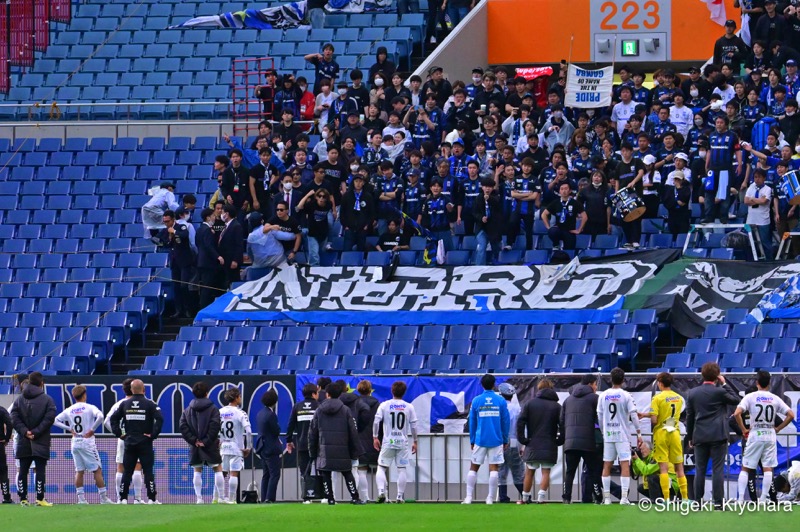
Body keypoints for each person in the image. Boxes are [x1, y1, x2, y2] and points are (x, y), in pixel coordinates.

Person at [685, 363, 741, 509]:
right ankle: (718, 503)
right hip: (718, 435)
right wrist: (724, 383)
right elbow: (736, 399)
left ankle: (697, 502)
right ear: (717, 376)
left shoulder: (692, 393)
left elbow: (689, 417)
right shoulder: (720, 392)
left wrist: (690, 437)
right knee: (717, 469)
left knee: (700, 469)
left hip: (700, 435)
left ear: (702, 375)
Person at [734, 370, 795, 502]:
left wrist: (744, 429)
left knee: (746, 467)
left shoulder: (750, 397)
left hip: (755, 432)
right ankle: (762, 499)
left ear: (757, 383)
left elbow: (737, 413)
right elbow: (791, 414)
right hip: (770, 434)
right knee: (768, 468)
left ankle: (740, 499)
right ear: (769, 383)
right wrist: (778, 428)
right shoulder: (774, 398)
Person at [53, 385, 114, 504]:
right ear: (84, 395)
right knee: (97, 470)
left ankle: (81, 499)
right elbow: (100, 416)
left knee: (79, 470)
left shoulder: (69, 409)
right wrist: (92, 429)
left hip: (75, 441)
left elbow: (55, 420)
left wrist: (69, 429)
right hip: (87, 442)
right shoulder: (90, 407)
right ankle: (103, 498)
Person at [308, 381, 366, 505]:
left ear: (327, 394)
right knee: (347, 473)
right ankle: (354, 497)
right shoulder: (345, 410)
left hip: (324, 449)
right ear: (340, 394)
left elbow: (312, 432)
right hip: (342, 448)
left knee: (326, 474)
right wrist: (355, 451)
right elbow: (352, 431)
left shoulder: (319, 410)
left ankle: (330, 498)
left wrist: (312, 451)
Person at [109, 378, 164, 505]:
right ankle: (151, 498)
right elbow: (160, 419)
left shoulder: (124, 404)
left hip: (129, 442)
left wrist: (120, 434)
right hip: (145, 442)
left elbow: (113, 419)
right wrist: (153, 435)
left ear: (132, 390)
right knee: (148, 470)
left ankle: (122, 498)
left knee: (127, 471)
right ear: (144, 390)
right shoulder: (150, 404)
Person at [597, 368, 643, 506]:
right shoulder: (626, 395)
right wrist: (639, 432)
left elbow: (599, 416)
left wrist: (604, 430)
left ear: (611, 379)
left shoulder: (603, 395)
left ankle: (606, 499)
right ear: (623, 380)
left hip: (609, 435)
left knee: (607, 464)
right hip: (622, 435)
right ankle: (623, 498)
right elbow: (634, 415)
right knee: (625, 465)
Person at [462, 374, 510, 505]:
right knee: (494, 468)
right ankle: (490, 498)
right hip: (496, 439)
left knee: (474, 467)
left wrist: (472, 440)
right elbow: (505, 422)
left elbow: (472, 422)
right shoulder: (500, 401)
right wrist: (505, 439)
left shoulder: (477, 400)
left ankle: (468, 497)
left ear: (482, 384)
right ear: (494, 384)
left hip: (480, 439)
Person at [10, 371, 56, 507]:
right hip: (40, 440)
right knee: (40, 470)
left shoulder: (19, 399)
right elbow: (49, 418)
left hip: (23, 440)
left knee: (23, 470)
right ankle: (40, 498)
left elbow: (14, 417)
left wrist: (25, 432)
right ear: (42, 383)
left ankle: (23, 499)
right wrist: (35, 432)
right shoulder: (47, 399)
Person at [373, 380, 419, 504]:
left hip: (388, 441)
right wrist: (415, 441)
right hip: (402, 441)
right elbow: (414, 426)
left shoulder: (384, 405)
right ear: (404, 392)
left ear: (392, 391)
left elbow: (376, 421)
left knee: (382, 467)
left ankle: (381, 492)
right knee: (402, 468)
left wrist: (375, 437)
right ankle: (399, 496)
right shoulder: (409, 406)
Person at [179, 381, 224, 505]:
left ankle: (199, 498)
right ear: (206, 393)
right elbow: (215, 426)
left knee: (197, 470)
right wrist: (206, 441)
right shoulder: (214, 409)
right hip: (210, 445)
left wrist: (194, 441)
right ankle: (221, 497)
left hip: (195, 446)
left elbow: (183, 426)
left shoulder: (187, 410)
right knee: (218, 468)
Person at [517, 378, 561, 504]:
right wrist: (559, 440)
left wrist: (523, 440)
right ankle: (541, 499)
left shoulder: (530, 404)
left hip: (532, 443)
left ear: (539, 389)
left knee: (529, 471)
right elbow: (563, 425)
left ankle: (524, 498)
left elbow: (520, 422)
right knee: (546, 472)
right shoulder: (557, 406)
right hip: (549, 443)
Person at [561, 374, 601, 504]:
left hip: (570, 441)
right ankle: (598, 497)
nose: (596, 387)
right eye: (595, 384)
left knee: (570, 472)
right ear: (591, 383)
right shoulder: (595, 398)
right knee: (593, 471)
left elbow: (561, 421)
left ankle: (566, 498)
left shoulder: (568, 400)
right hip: (588, 441)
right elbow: (600, 418)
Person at [649, 372, 689, 502]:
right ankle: (685, 499)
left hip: (661, 433)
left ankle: (666, 499)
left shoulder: (657, 398)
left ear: (660, 383)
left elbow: (654, 420)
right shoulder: (678, 398)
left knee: (663, 468)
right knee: (679, 467)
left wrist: (648, 416)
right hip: (674, 432)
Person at [104, 378, 144, 504]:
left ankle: (120, 498)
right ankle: (137, 498)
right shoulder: (143, 402)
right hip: (139, 438)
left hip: (124, 439)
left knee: (121, 467)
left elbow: (107, 421)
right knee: (137, 466)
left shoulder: (119, 404)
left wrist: (119, 434)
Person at [155, 210, 194, 319]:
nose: (166, 224)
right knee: (176, 286)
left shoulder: (181, 227)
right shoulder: (165, 230)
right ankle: (178, 310)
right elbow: (157, 239)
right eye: (164, 222)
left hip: (184, 261)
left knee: (184, 285)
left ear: (173, 219)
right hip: (174, 262)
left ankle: (188, 310)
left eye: (168, 221)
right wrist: (161, 242)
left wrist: (174, 232)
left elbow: (184, 235)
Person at [217, 387, 252, 505]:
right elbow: (248, 430)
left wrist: (218, 442)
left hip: (223, 446)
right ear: (236, 398)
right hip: (236, 447)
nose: (241, 398)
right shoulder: (240, 413)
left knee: (221, 473)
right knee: (234, 473)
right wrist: (249, 447)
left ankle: (220, 498)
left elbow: (215, 429)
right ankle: (232, 499)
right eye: (240, 396)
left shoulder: (220, 411)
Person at [286, 383, 321, 503]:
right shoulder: (319, 406)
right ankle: (324, 495)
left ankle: (306, 497)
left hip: (302, 443)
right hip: (318, 444)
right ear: (313, 394)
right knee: (321, 469)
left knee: (304, 471)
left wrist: (289, 441)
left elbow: (290, 425)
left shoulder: (297, 406)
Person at [496, 383, 524, 504]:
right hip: (514, 442)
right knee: (517, 470)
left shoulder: (498, 408)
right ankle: (525, 495)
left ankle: (503, 496)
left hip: (499, 441)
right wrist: (522, 444)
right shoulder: (517, 409)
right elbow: (522, 427)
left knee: (501, 471)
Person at [541, 182, 586, 251]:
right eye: (561, 189)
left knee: (569, 252)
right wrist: (548, 227)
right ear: (559, 191)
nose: (564, 191)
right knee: (552, 231)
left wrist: (579, 230)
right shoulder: (555, 202)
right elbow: (544, 214)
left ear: (570, 191)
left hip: (570, 231)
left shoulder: (575, 203)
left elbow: (585, 217)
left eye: (566, 189)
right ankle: (556, 244)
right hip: (558, 229)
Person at [256, 389, 282, 504]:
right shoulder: (271, 415)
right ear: (275, 401)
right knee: (274, 474)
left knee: (265, 474)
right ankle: (270, 498)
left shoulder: (260, 413)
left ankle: (264, 498)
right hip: (270, 448)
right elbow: (276, 430)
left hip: (262, 447)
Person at [196, 207, 225, 309]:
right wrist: (218, 256)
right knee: (207, 288)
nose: (214, 217)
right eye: (213, 216)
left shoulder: (199, 229)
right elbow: (208, 246)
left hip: (201, 262)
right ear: (208, 218)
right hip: (208, 263)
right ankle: (204, 308)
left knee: (205, 286)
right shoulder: (208, 230)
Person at [340, 174, 376, 252]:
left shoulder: (368, 196)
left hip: (362, 228)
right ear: (353, 182)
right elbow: (342, 212)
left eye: (360, 181)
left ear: (363, 183)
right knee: (347, 249)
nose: (358, 183)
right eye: (356, 181)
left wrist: (367, 225)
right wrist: (345, 225)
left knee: (361, 250)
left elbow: (371, 212)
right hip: (349, 227)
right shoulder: (347, 195)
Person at [745, 168, 775, 259]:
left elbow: (764, 201)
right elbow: (746, 201)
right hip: (751, 219)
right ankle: (752, 260)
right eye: (755, 177)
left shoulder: (768, 189)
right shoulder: (751, 186)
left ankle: (770, 261)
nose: (757, 179)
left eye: (759, 177)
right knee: (750, 242)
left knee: (765, 242)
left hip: (763, 220)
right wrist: (758, 200)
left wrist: (753, 199)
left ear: (764, 178)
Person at [473, 177, 503, 265]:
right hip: (481, 227)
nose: (487, 188)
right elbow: (474, 212)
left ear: (493, 188)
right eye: (485, 186)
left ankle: (496, 265)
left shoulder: (497, 196)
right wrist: (481, 217)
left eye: (489, 187)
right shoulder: (478, 198)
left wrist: (489, 199)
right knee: (482, 246)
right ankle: (479, 268)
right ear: (482, 187)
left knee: (496, 247)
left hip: (494, 228)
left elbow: (498, 206)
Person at [217, 204, 245, 288]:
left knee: (233, 282)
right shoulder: (227, 225)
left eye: (222, 212)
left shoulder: (236, 226)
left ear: (227, 214)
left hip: (232, 260)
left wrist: (235, 260)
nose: (221, 214)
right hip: (226, 260)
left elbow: (239, 245)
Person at [665, 171, 692, 237]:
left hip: (683, 215)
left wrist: (679, 188)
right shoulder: (670, 190)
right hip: (672, 215)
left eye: (679, 179)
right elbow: (667, 202)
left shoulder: (686, 189)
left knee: (682, 235)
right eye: (675, 179)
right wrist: (676, 202)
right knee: (672, 234)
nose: (677, 181)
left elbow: (684, 199)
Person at [0, 403, 11, 504]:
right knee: (3, 471)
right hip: (0, 444)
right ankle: (6, 497)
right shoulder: (2, 410)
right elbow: (10, 423)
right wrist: (6, 438)